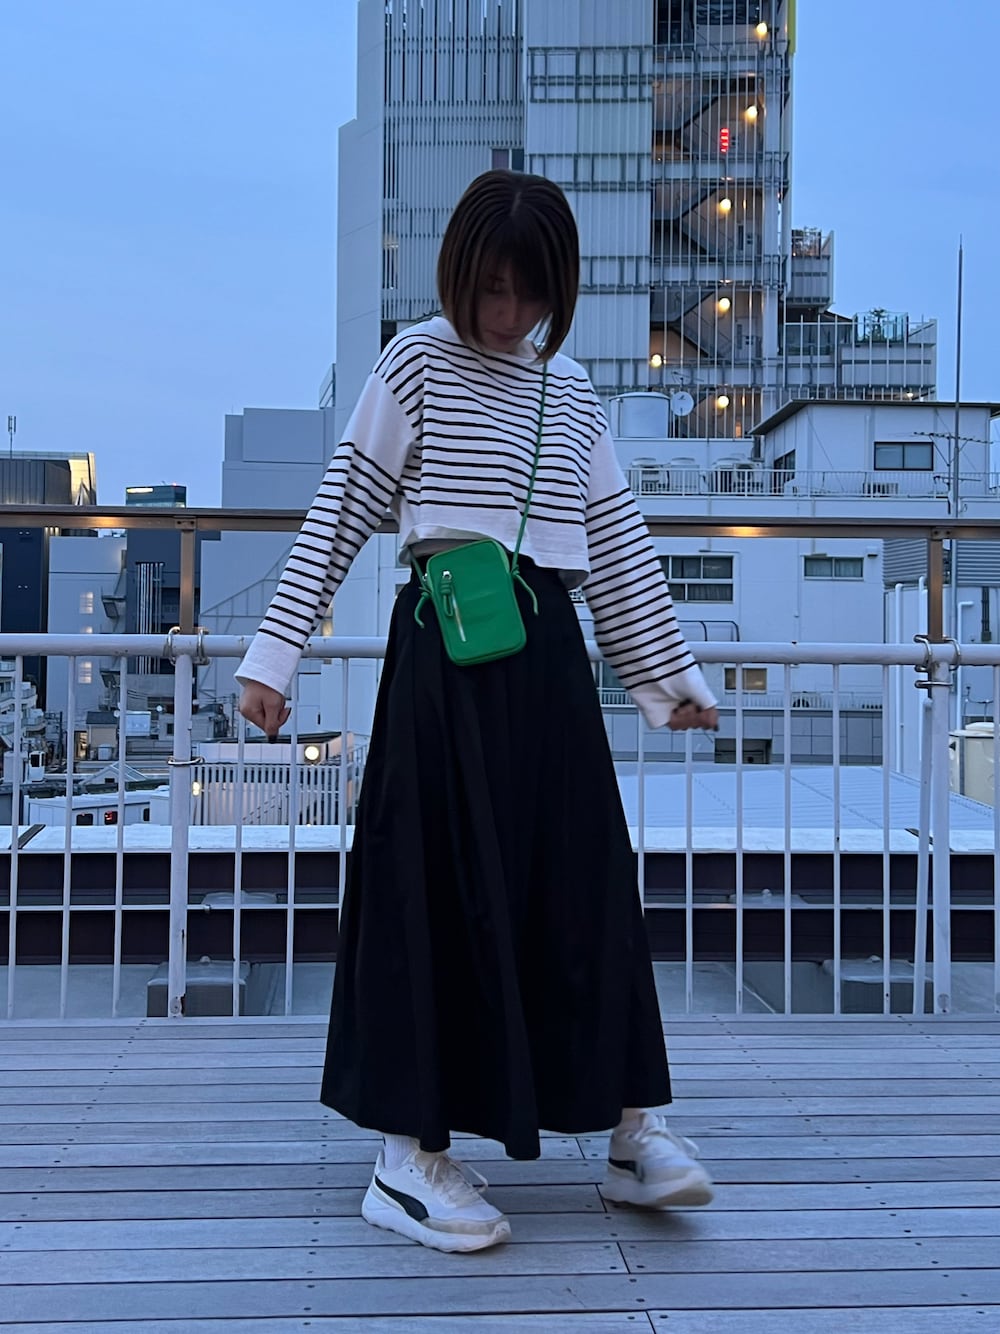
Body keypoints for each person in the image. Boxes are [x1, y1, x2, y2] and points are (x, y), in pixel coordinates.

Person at [237, 169, 719, 1254]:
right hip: (443, 653)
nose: (507, 313)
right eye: (491, 288)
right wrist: (275, 655)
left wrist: (667, 679)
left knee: (584, 885)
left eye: (529, 292)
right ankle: (405, 1154)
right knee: (430, 890)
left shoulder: (571, 394)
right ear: (459, 273)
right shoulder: (414, 361)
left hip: (548, 660)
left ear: (559, 289)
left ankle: (631, 1129)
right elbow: (341, 507)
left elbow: (615, 546)